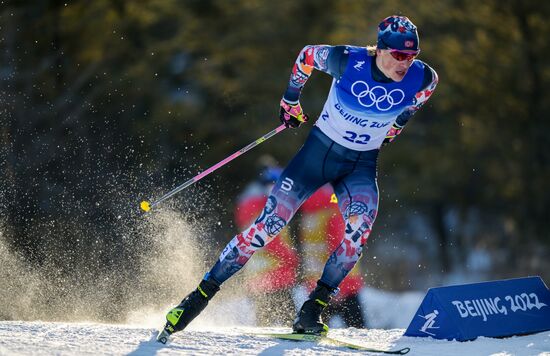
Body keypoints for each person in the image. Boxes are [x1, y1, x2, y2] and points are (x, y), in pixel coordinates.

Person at [159, 15, 438, 339]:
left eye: (412, 56)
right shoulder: (347, 60)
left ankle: (312, 310)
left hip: (359, 167)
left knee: (358, 233)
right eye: (399, 55)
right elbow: (307, 55)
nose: (405, 63)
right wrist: (290, 100)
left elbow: (418, 99)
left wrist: (397, 126)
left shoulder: (423, 78)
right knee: (267, 228)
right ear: (380, 49)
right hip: (317, 157)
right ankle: (196, 298)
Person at [234, 157, 299, 326]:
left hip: (257, 274)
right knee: (289, 319)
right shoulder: (265, 207)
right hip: (274, 272)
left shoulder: (250, 205)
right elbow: (268, 239)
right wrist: (290, 257)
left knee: (264, 319)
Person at [297, 183, 366, 328]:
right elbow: (340, 248)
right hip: (341, 284)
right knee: (358, 330)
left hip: (316, 283)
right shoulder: (334, 214)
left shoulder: (309, 218)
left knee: (312, 327)